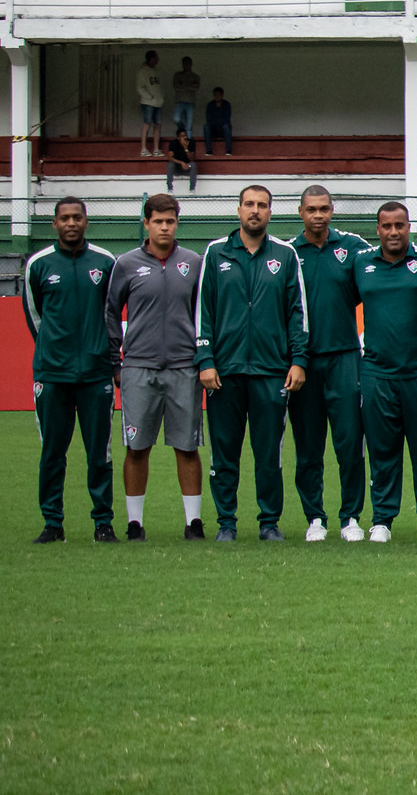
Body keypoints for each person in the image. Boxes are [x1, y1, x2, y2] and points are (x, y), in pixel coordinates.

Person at [197, 185, 308, 542]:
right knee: (224, 453)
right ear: (239, 210)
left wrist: (298, 360)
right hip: (224, 372)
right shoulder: (216, 252)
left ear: (270, 212)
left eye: (262, 205)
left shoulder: (285, 255)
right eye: (249, 204)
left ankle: (269, 523)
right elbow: (203, 311)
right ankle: (226, 523)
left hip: (271, 371)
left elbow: (297, 314)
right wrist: (205, 359)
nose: (255, 210)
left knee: (269, 454)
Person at [104, 194, 206, 541]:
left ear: (177, 223)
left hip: (184, 367)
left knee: (187, 447)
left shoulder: (193, 262)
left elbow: (204, 314)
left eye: (170, 221)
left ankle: (194, 522)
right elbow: (110, 313)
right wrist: (116, 362)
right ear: (146, 223)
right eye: (158, 221)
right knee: (137, 447)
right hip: (139, 367)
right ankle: (135, 523)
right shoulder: (126, 264)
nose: (164, 227)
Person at [25, 197, 118, 543]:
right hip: (52, 375)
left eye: (77, 217)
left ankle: (103, 523)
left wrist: (102, 353)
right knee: (52, 453)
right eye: (64, 218)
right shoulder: (38, 264)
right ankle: (53, 523)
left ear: (86, 221)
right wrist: (53, 350)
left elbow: (111, 314)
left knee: (99, 454)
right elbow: (35, 316)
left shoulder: (105, 262)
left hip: (96, 374)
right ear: (54, 223)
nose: (71, 223)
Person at [356, 201, 417, 543]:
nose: (393, 232)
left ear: (410, 227)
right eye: (387, 226)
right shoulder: (361, 264)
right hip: (377, 373)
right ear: (377, 230)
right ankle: (382, 519)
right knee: (382, 451)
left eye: (400, 225)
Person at [289, 186, 371, 542]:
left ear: (332, 210)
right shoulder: (289, 253)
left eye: (323, 209)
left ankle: (350, 517)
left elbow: (389, 258)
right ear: (301, 212)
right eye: (311, 209)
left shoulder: (352, 247)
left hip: (345, 357)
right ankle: (315, 518)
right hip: (303, 363)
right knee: (308, 447)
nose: (318, 215)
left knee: (350, 444)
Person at [136, 50, 164, 158]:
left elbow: (158, 87)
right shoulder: (142, 71)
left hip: (158, 102)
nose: (158, 60)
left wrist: (160, 98)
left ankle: (156, 149)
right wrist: (149, 96)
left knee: (157, 125)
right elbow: (140, 87)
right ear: (151, 59)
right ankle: (144, 149)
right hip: (147, 102)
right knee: (147, 123)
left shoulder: (156, 70)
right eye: (156, 58)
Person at [169, 56, 200, 139]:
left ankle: (188, 143)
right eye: (185, 64)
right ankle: (182, 129)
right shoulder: (178, 75)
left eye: (188, 63)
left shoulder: (195, 76)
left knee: (189, 126)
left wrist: (183, 85)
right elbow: (176, 87)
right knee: (176, 119)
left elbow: (196, 87)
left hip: (190, 102)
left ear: (191, 64)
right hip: (180, 101)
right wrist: (189, 86)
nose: (186, 65)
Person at [202, 86, 234, 157]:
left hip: (223, 130)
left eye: (218, 95)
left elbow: (227, 118)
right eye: (215, 95)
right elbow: (208, 119)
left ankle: (228, 151)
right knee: (206, 126)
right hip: (213, 130)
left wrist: (216, 120)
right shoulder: (210, 105)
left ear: (222, 95)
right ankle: (209, 151)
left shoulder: (226, 104)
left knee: (226, 126)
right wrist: (219, 120)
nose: (217, 96)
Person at [164, 127, 198, 192]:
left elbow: (192, 159)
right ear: (178, 138)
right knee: (170, 165)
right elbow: (170, 157)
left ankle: (192, 189)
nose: (184, 137)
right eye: (182, 136)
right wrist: (181, 163)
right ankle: (170, 188)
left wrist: (185, 148)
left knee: (193, 165)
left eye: (185, 136)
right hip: (176, 167)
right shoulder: (173, 143)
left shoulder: (191, 142)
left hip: (187, 167)